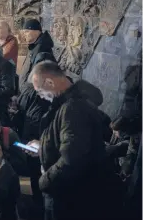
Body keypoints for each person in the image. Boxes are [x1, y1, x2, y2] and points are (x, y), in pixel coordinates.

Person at [27, 61, 123, 220]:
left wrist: (45, 181)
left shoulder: (73, 108)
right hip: (69, 191)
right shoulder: (67, 103)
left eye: (40, 91)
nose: (41, 96)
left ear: (50, 82)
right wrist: (43, 147)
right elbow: (65, 139)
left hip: (69, 196)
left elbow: (72, 158)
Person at [19, 19, 55, 91]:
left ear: (36, 31)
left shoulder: (42, 49)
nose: (24, 35)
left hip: (33, 97)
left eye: (27, 31)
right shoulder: (34, 47)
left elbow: (39, 81)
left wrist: (26, 96)